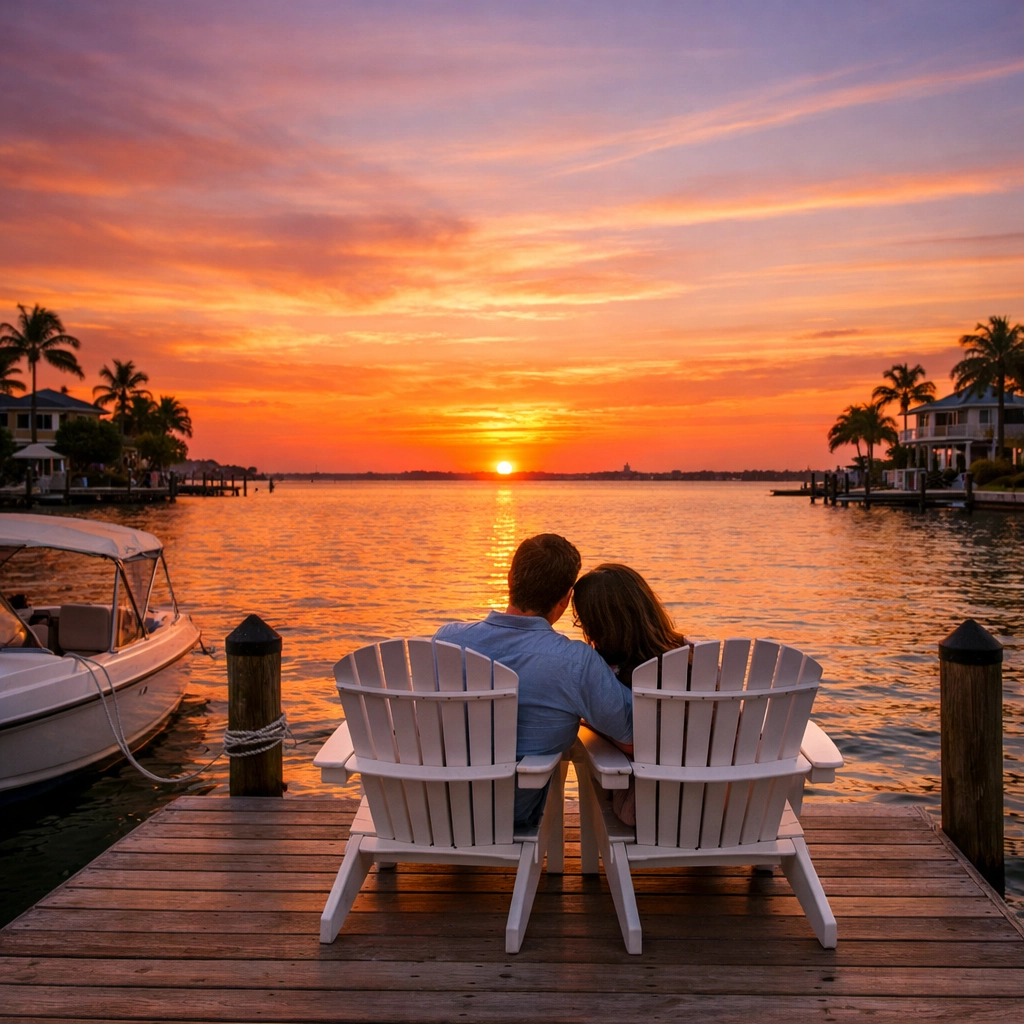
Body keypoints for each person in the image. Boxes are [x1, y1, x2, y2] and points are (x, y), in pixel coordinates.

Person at [434, 534, 633, 828]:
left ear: (510, 578)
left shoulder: (446, 640)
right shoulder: (576, 662)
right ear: (566, 599)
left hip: (427, 804)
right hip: (507, 814)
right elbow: (631, 735)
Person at [571, 563, 690, 825]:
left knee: (590, 745)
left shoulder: (613, 674)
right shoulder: (694, 656)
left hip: (652, 809)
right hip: (731, 806)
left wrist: (589, 724)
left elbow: (636, 743)